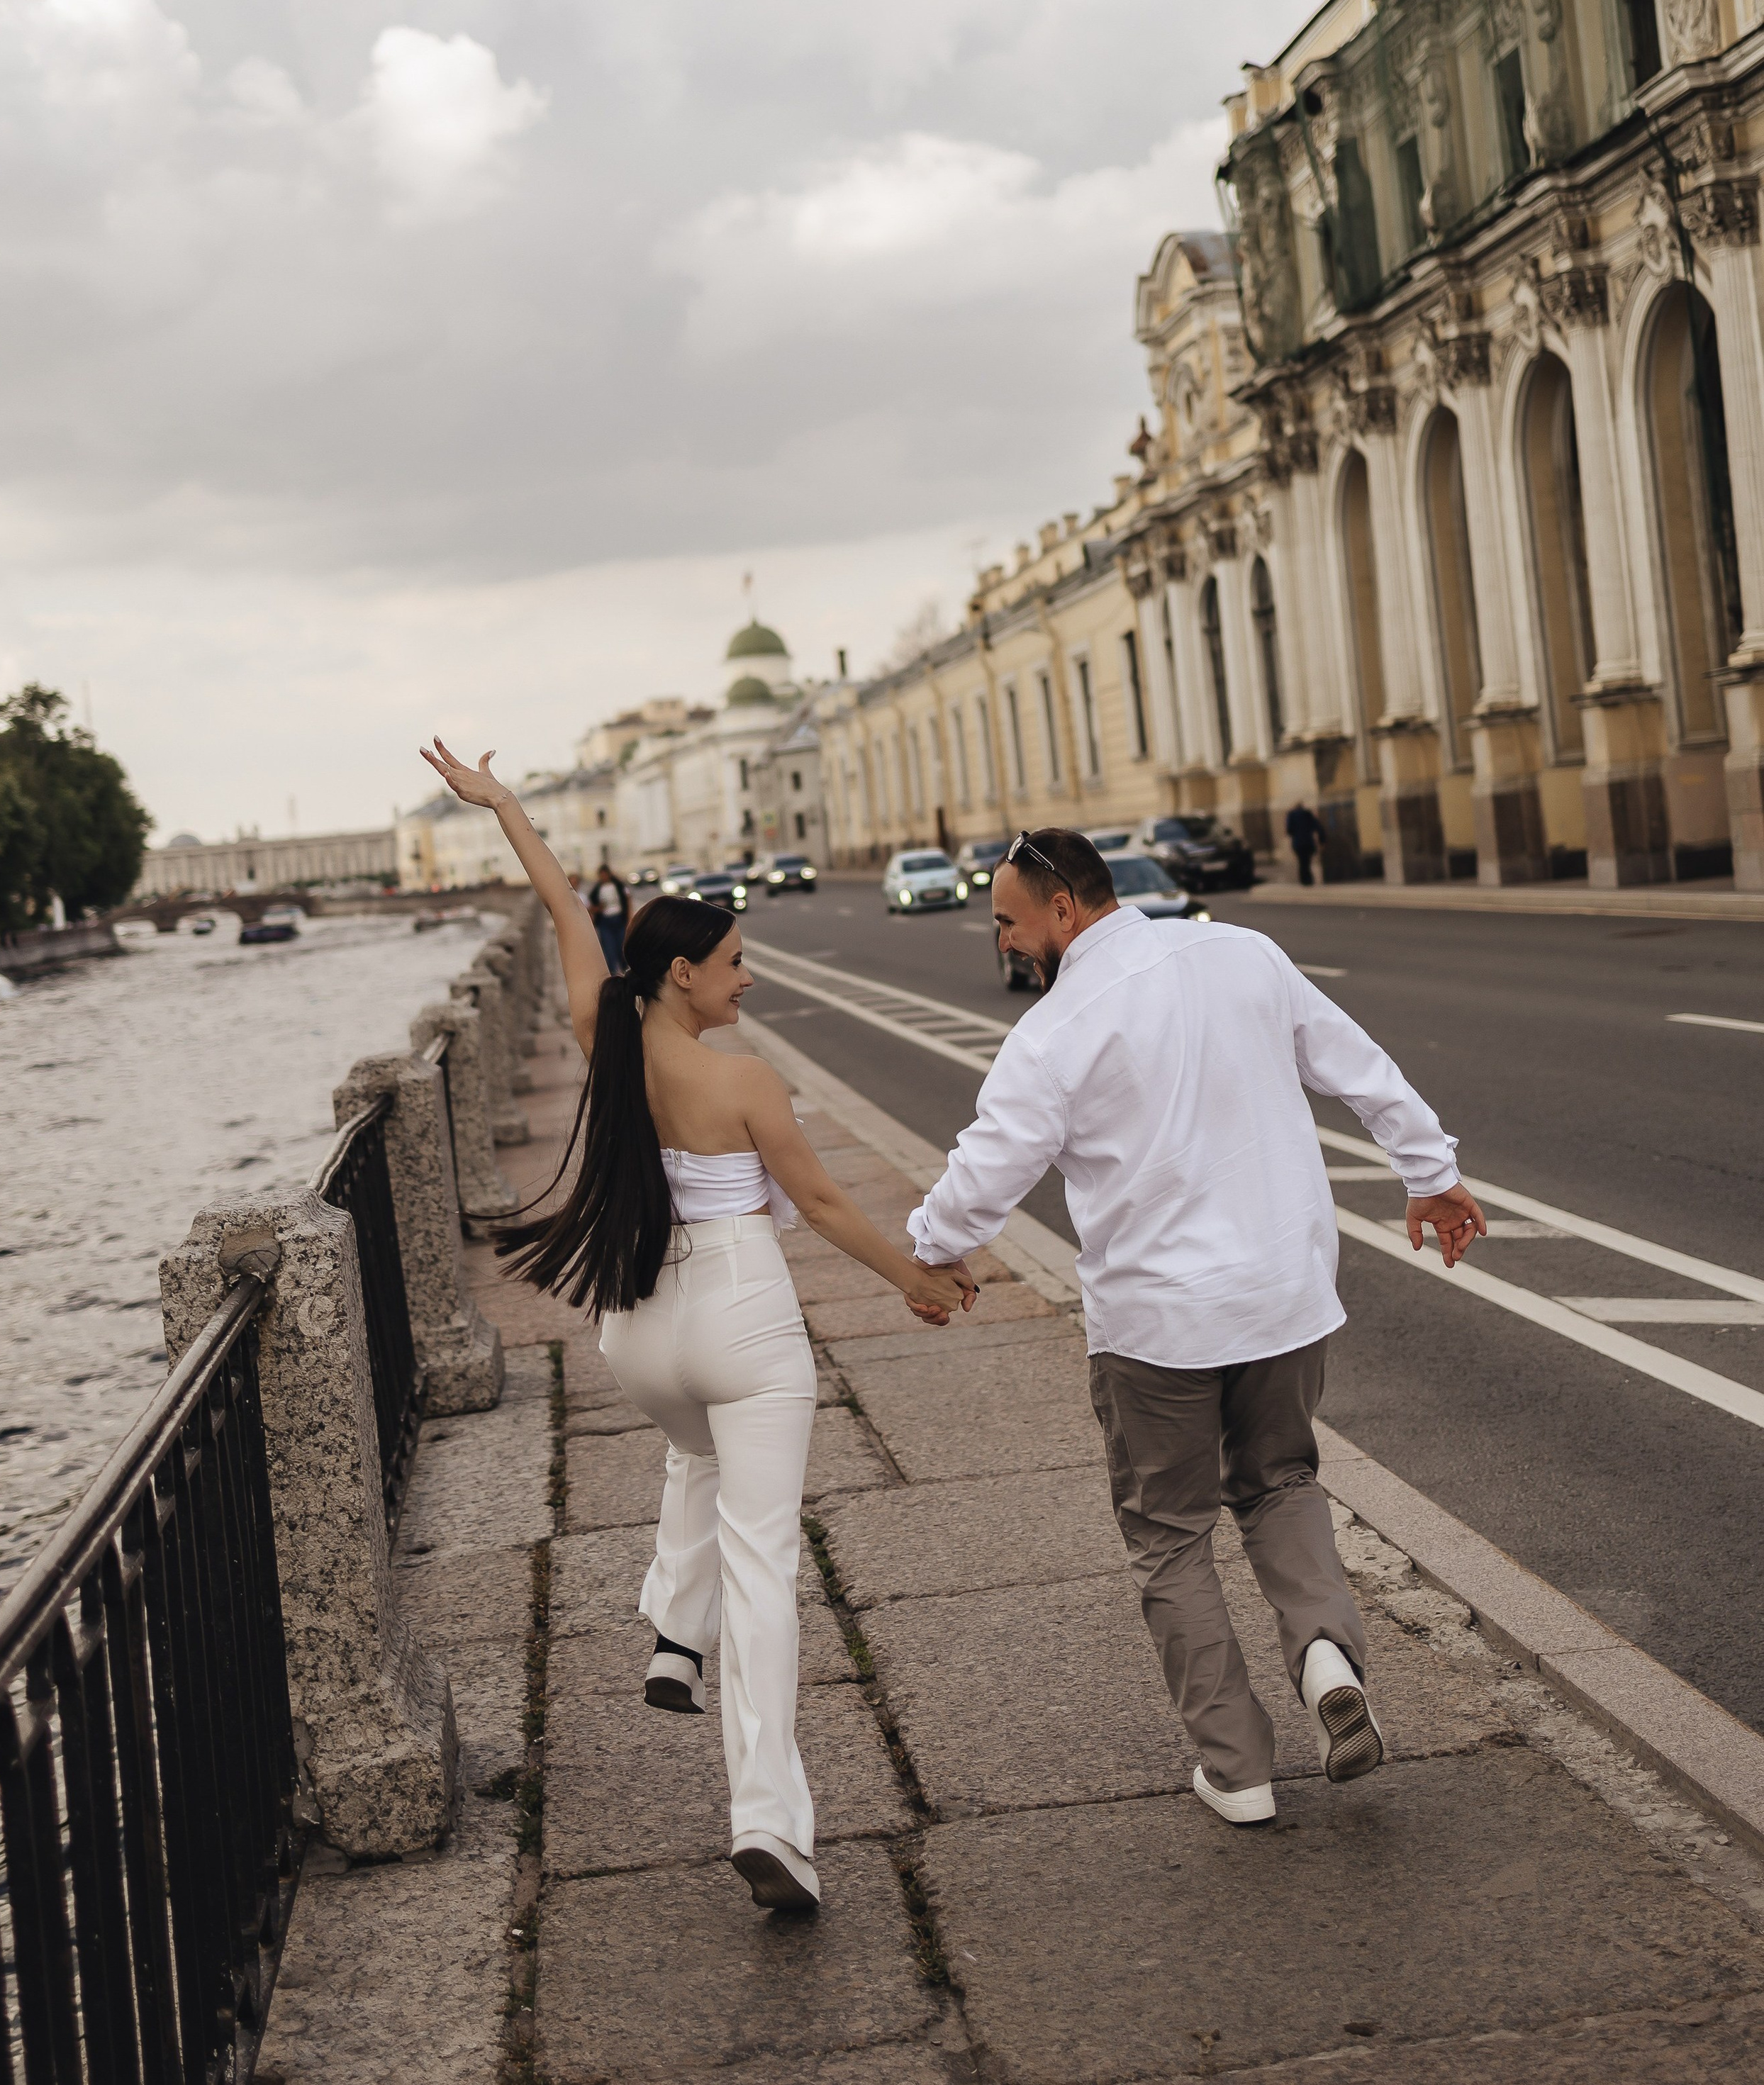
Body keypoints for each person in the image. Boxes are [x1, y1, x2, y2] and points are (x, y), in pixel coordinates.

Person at [419, 737, 973, 1914]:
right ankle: (767, 1815)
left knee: (694, 1448)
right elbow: (822, 1205)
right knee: (764, 1570)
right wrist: (915, 1276)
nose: (746, 979)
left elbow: (566, 907)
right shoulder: (746, 1080)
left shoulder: (602, 1032)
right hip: (740, 1318)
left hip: (638, 1334)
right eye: (733, 961)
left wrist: (507, 804)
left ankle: (675, 1629)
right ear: (681, 973)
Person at [905, 827, 1485, 1828]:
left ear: (1061, 908)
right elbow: (1360, 1067)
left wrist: (928, 1250)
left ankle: (1237, 1768)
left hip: (1156, 1328)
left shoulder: (1055, 1029)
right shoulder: (1241, 953)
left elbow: (986, 1172)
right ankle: (1326, 1655)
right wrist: (1431, 1175)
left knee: (1171, 1536)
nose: (1002, 940)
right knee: (1283, 1483)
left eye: (1007, 920)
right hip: (1283, 1295)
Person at [589, 858, 630, 973]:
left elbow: (627, 899)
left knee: (622, 949)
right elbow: (591, 907)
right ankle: (613, 976)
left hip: (619, 920)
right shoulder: (596, 890)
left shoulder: (618, 886)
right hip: (605, 923)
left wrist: (629, 917)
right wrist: (598, 908)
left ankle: (625, 971)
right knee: (609, 950)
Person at [1284, 800, 1324, 888]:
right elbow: (1317, 826)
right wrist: (1322, 840)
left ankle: (1305, 880)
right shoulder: (1308, 814)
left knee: (1302, 861)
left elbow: (1289, 830)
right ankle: (1308, 879)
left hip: (1298, 843)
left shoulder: (1291, 816)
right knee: (1307, 861)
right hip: (1308, 842)